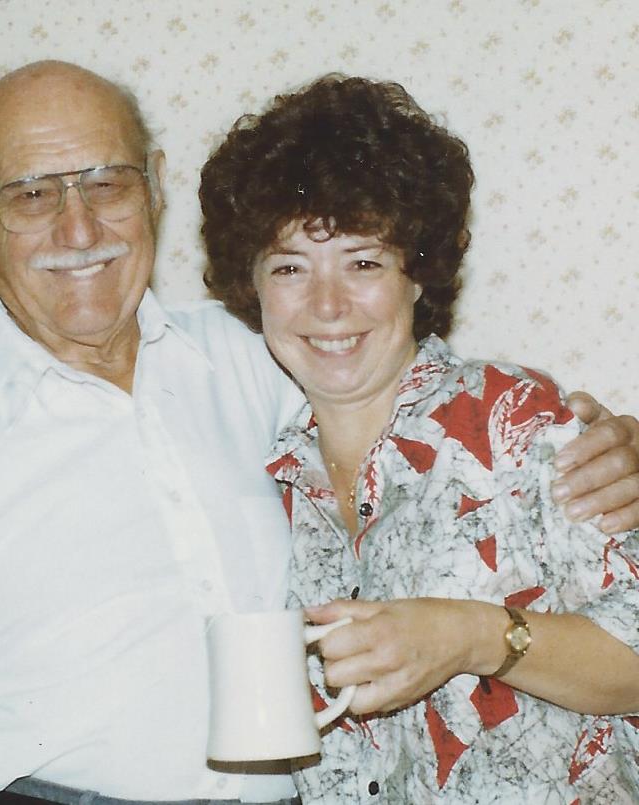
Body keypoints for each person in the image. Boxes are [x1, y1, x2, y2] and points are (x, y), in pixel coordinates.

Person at [0, 61, 639, 805]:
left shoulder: (257, 363)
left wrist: (614, 444)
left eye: (106, 183)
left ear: (153, 188)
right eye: (32, 193)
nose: (78, 229)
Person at [200, 73, 639, 802]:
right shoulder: (275, 481)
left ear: (418, 274)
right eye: (290, 267)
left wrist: (471, 635)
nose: (327, 304)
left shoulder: (510, 421)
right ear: (252, 286)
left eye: (363, 262)